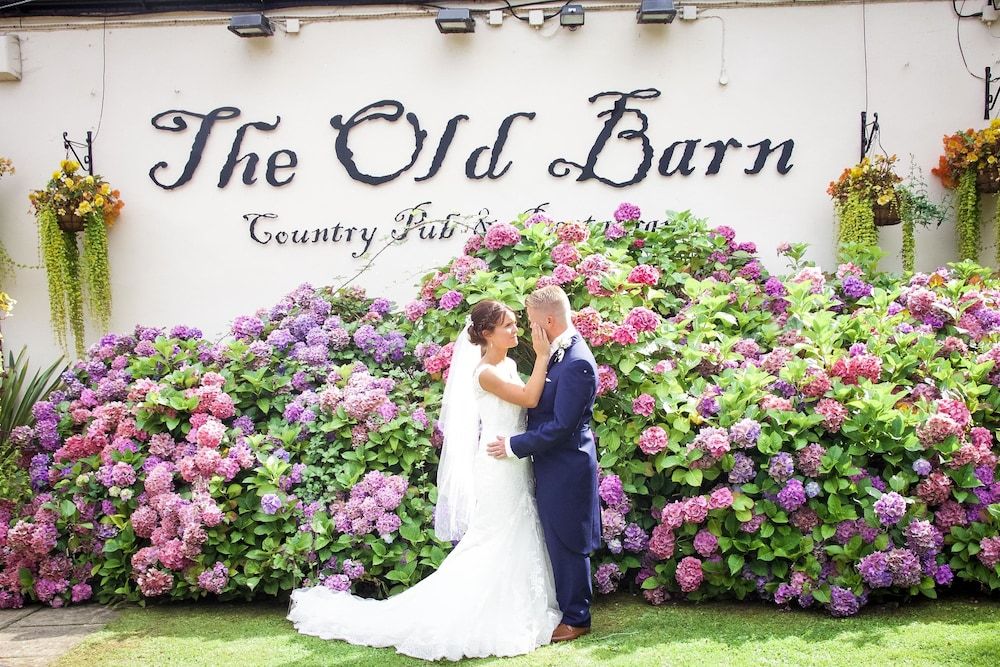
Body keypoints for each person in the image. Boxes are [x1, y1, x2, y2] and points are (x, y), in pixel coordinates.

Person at [287, 300, 563, 661]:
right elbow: (528, 397)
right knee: (492, 536)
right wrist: (542, 356)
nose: (516, 331)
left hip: (513, 459)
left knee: (519, 530)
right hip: (496, 466)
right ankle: (467, 613)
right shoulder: (485, 373)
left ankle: (520, 605)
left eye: (514, 323)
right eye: (508, 326)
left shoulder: (509, 364)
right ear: (486, 334)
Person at [486, 285, 601, 643]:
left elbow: (562, 426)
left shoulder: (576, 361)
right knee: (554, 535)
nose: (527, 328)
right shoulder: (554, 352)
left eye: (532, 322)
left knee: (567, 538)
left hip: (567, 465)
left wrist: (513, 445)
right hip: (551, 463)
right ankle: (566, 608)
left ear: (548, 320)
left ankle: (577, 617)